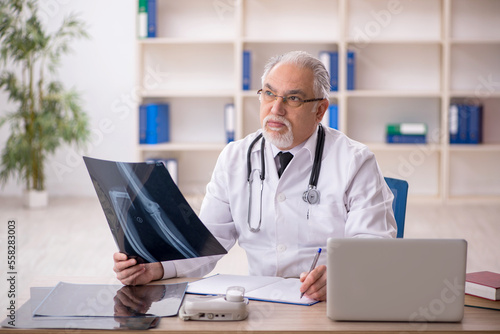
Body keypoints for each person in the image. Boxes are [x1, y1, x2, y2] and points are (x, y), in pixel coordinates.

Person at [114, 51, 397, 301]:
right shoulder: (235, 157)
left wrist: (339, 276)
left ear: (320, 109)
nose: (276, 108)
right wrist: (157, 267)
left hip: (327, 303)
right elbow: (207, 243)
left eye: (294, 98)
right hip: (261, 303)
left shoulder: (355, 161)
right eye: (269, 94)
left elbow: (373, 245)